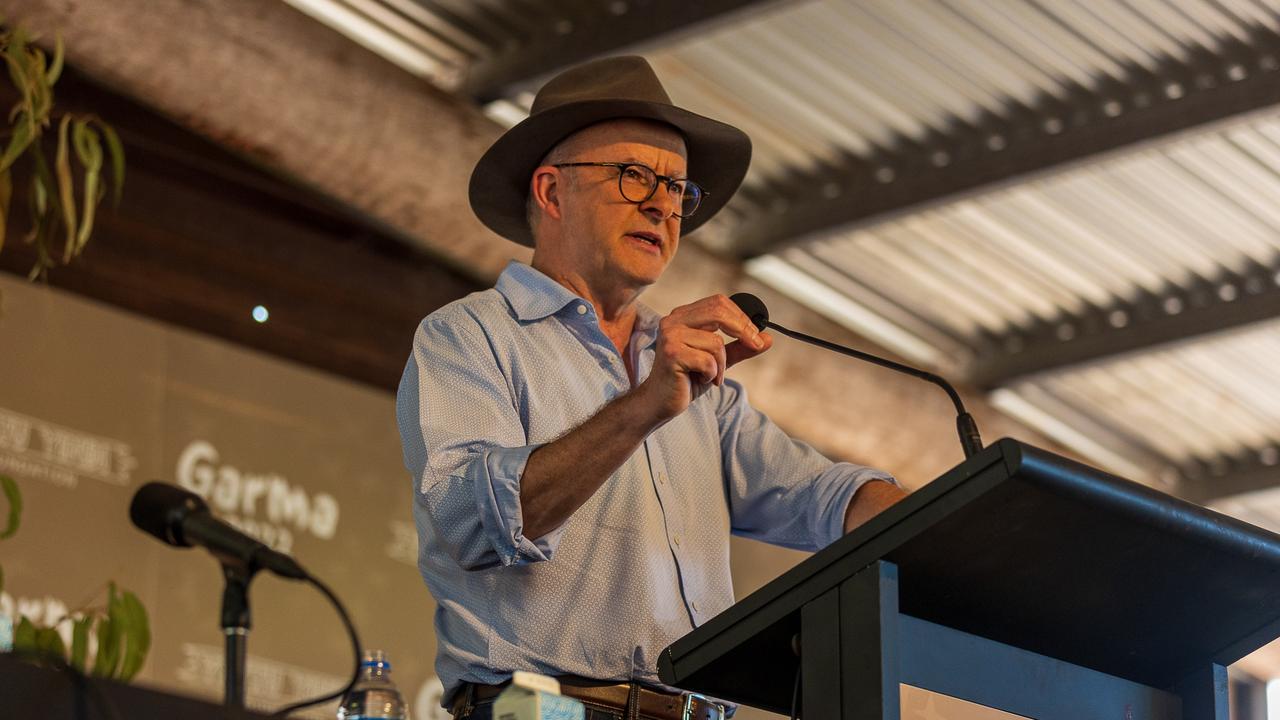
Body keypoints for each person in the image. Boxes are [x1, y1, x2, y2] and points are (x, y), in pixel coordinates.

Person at [396, 56, 907, 720]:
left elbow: (825, 500)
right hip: (544, 712)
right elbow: (475, 522)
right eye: (633, 175)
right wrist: (644, 405)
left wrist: (966, 524)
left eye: (677, 188)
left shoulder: (695, 376)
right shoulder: (469, 335)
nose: (663, 203)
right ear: (551, 193)